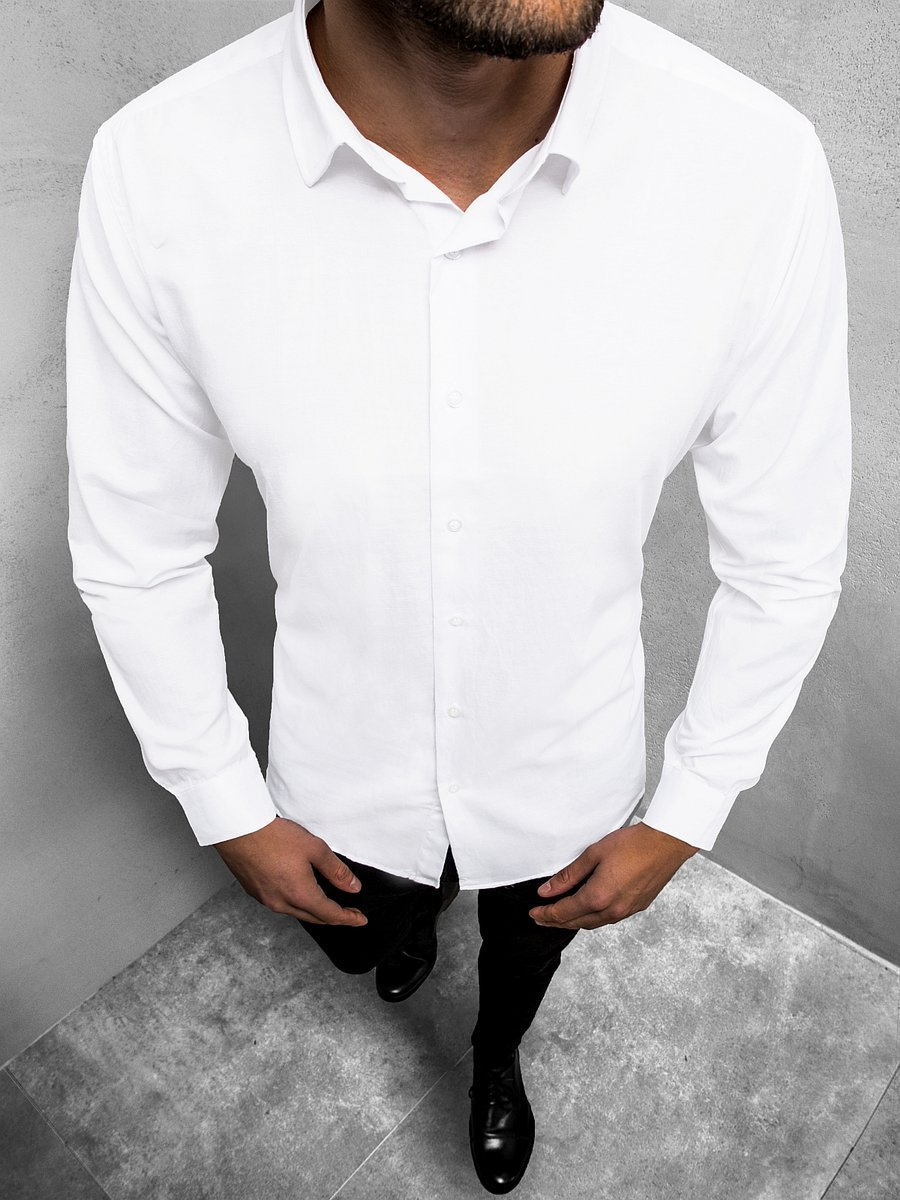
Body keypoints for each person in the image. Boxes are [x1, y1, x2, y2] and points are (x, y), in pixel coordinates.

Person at [64, 0, 851, 1192]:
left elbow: (785, 555)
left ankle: (494, 1058)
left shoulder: (751, 164)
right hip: (342, 770)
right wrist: (224, 803)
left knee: (528, 951)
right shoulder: (161, 166)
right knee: (367, 930)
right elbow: (137, 545)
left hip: (566, 773)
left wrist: (691, 806)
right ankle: (403, 943)